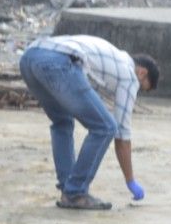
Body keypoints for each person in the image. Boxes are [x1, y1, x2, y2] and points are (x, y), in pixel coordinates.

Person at [18, 35, 158, 211]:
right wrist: (130, 180)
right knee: (106, 127)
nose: (138, 91)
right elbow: (122, 133)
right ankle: (75, 192)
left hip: (30, 57)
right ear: (142, 72)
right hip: (58, 62)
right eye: (143, 87)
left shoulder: (112, 57)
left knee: (62, 122)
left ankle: (67, 189)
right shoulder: (130, 76)